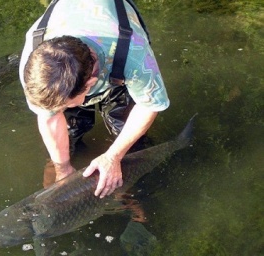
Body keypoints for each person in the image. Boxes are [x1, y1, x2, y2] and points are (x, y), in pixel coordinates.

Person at [19, 0, 169, 199]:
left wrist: (113, 155)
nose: (61, 110)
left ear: (90, 84)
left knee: (131, 142)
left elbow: (148, 105)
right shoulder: (36, 67)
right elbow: (49, 117)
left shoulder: (134, 56)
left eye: (65, 105)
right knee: (68, 138)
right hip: (71, 31)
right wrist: (62, 167)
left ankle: (136, 204)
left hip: (117, 59)